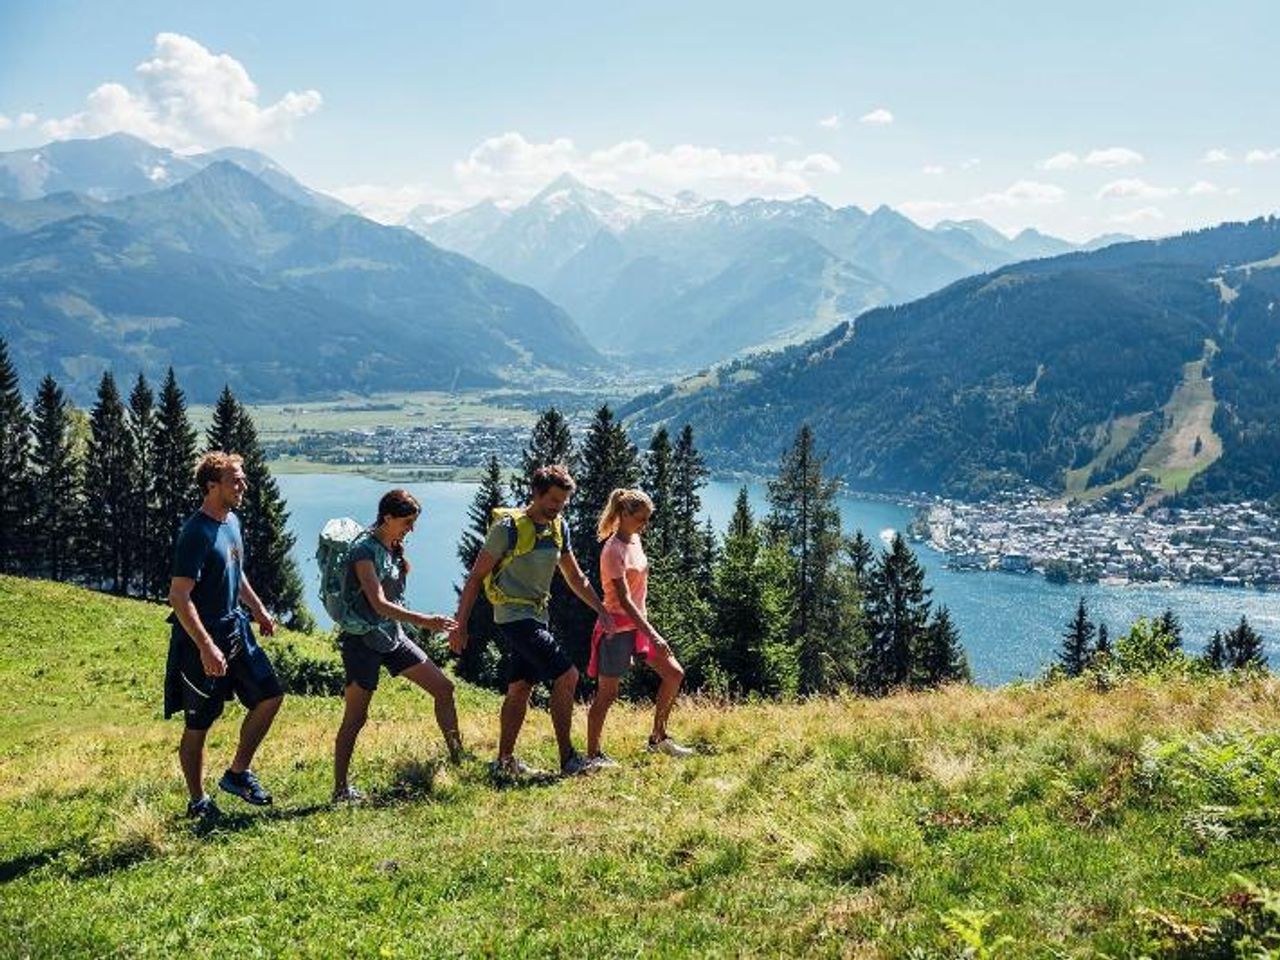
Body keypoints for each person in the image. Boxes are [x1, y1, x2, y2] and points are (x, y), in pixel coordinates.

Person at [450, 464, 614, 780]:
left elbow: (575, 577)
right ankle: (568, 759)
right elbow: (475, 579)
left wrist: (601, 610)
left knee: (520, 687)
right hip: (513, 617)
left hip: (537, 615)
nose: (557, 508)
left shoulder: (558, 528)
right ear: (536, 494)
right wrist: (461, 624)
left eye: (563, 502)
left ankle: (504, 761)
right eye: (553, 501)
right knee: (567, 676)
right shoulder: (507, 530)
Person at [165, 452, 284, 823]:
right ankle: (198, 800)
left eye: (242, 478)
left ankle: (237, 773)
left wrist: (259, 610)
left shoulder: (232, 520)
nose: (243, 484)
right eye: (235, 479)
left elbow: (237, 570)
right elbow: (179, 595)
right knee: (199, 723)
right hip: (201, 638)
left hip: (236, 630)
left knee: (270, 696)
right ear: (211, 486)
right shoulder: (195, 532)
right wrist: (205, 645)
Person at [332, 489, 462, 803]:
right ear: (387, 517)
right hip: (362, 642)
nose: (411, 529)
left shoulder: (391, 546)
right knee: (355, 718)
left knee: (444, 689)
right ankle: (340, 790)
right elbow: (378, 603)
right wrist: (425, 620)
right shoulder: (364, 551)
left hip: (392, 638)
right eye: (406, 522)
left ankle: (459, 760)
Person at [586, 489, 693, 768]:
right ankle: (593, 754)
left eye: (648, 519)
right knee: (608, 694)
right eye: (641, 519)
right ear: (623, 514)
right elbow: (623, 600)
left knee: (674, 674)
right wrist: (653, 634)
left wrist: (646, 630)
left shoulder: (635, 540)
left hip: (638, 625)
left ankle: (658, 738)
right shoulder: (612, 550)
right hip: (617, 629)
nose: (645, 525)